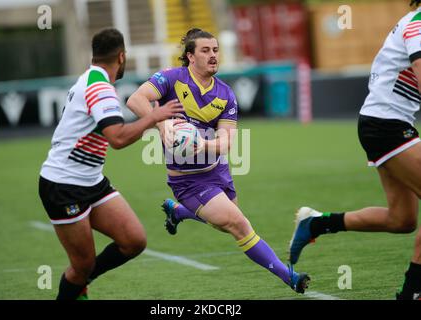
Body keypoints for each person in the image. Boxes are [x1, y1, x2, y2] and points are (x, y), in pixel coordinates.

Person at [126, 28, 310, 294]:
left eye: (215, 50)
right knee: (238, 224)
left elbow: (225, 142)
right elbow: (136, 99)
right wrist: (162, 125)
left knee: (221, 222)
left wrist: (201, 145)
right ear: (190, 56)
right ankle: (289, 276)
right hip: (188, 181)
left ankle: (177, 212)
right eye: (205, 50)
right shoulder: (170, 79)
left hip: (217, 170)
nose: (213, 56)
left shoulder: (225, 94)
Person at [289, 0, 421, 300]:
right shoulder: (418, 24)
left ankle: (318, 223)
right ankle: (412, 293)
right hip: (386, 125)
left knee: (402, 220)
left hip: (388, 124)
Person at [38, 28, 183, 300]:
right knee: (81, 264)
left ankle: (79, 281)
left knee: (134, 240)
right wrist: (155, 117)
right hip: (64, 185)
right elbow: (116, 138)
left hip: (91, 180)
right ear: (122, 56)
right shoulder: (99, 88)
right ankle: (75, 283)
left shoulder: (91, 78)